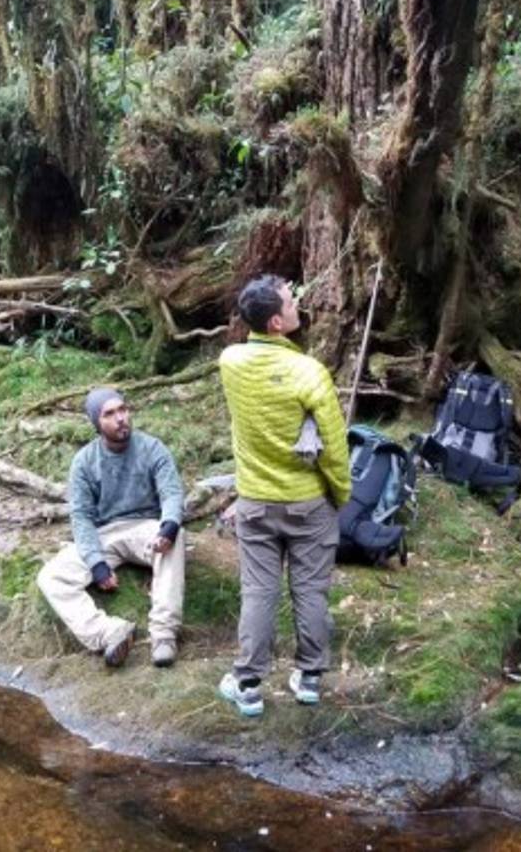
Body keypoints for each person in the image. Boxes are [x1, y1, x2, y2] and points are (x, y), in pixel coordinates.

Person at [216, 275, 351, 716]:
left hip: (255, 501)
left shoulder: (230, 362)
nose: (298, 304)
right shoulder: (309, 372)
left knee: (258, 591)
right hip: (308, 503)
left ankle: (249, 685)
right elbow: (332, 444)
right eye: (291, 302)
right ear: (276, 322)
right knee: (310, 590)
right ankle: (309, 679)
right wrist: (341, 492)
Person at [37, 388, 186, 668]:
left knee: (176, 539)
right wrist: (96, 563)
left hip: (146, 528)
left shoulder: (153, 448)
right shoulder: (84, 461)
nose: (120, 418)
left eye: (123, 410)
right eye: (110, 414)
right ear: (97, 422)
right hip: (105, 534)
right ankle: (109, 632)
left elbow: (172, 493)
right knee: (51, 577)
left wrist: (168, 527)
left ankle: (164, 634)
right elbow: (80, 516)